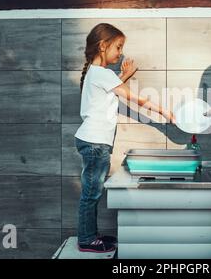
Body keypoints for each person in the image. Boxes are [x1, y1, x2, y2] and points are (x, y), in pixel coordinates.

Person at [75, 23, 175, 253]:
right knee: (91, 194)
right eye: (118, 47)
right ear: (103, 46)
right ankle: (87, 240)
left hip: (93, 142)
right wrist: (165, 112)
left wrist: (125, 75)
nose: (120, 53)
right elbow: (134, 99)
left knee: (92, 192)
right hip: (95, 143)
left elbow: (112, 89)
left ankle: (91, 236)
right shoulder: (102, 74)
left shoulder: (96, 73)